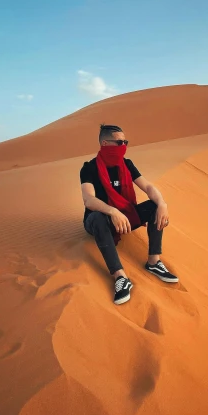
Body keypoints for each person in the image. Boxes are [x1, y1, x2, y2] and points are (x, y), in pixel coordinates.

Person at [80, 123, 178, 304]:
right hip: (101, 221)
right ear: (104, 143)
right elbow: (89, 199)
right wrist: (112, 211)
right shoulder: (89, 168)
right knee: (97, 217)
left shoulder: (127, 164)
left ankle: (153, 262)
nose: (123, 146)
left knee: (154, 206)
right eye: (119, 142)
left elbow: (147, 186)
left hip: (126, 216)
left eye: (125, 142)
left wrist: (162, 203)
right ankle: (120, 277)